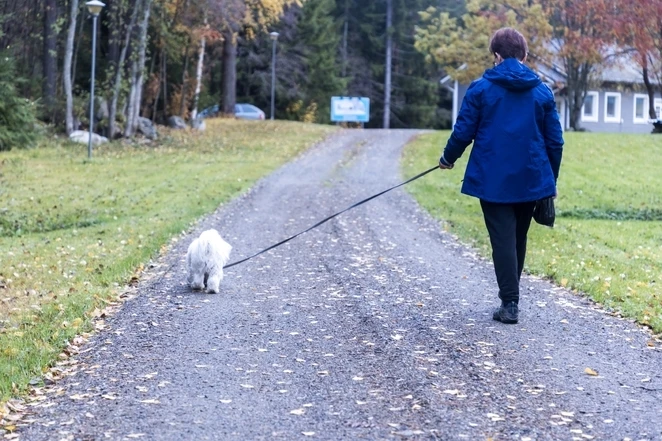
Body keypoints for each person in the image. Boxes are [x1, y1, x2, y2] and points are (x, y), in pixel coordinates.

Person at [438, 27, 564, 324]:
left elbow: (463, 131)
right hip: (531, 178)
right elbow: (555, 141)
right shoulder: (542, 91)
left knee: (503, 239)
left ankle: (510, 304)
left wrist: (447, 158)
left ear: (495, 55)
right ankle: (511, 299)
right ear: (525, 55)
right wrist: (550, 182)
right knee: (518, 236)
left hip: (492, 178)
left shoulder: (480, 89)